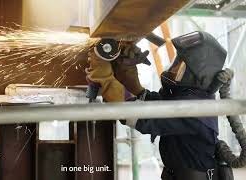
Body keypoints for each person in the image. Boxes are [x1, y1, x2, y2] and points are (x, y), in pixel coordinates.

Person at [86, 31, 231, 180]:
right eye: (176, 62)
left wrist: (103, 76)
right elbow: (150, 101)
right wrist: (126, 68)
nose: (174, 68)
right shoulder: (191, 97)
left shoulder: (194, 110)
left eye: (180, 66)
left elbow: (140, 117)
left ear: (196, 75)